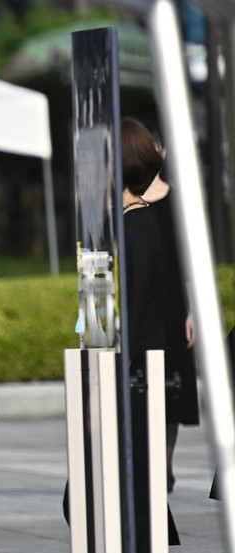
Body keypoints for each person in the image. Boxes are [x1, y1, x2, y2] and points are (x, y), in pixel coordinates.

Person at [119, 118, 208, 553]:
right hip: (147, 357)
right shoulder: (134, 223)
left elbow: (128, 316)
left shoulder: (137, 230)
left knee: (121, 481)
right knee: (133, 476)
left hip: (144, 362)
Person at [141, 144, 199, 493]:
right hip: (143, 302)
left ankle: (164, 464)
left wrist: (193, 309)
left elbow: (191, 257)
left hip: (175, 304)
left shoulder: (178, 200)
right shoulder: (125, 199)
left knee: (173, 391)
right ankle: (150, 464)